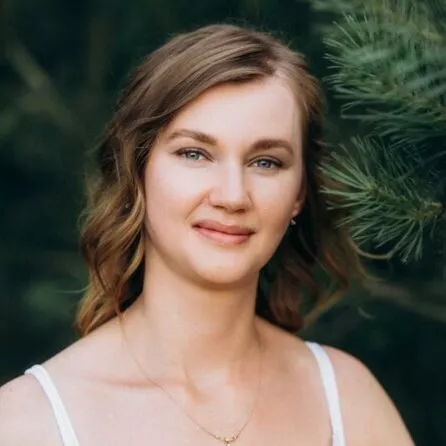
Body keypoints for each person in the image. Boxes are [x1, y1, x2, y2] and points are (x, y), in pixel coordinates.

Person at [0, 24, 413, 445]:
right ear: (136, 172)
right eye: (194, 154)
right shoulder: (28, 421)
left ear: (299, 194)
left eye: (266, 162)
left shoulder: (346, 399)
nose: (232, 196)